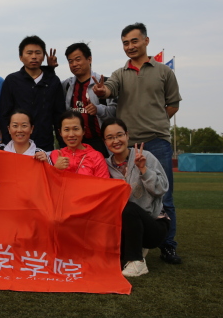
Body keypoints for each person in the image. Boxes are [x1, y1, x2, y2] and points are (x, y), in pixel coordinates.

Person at [92, 22, 182, 264]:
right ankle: (132, 242)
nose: (130, 46)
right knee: (127, 197)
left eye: (134, 41)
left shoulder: (164, 72)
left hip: (157, 140)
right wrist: (101, 92)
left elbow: (173, 104)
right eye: (125, 43)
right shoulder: (120, 74)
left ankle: (168, 246)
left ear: (146, 41)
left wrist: (157, 122)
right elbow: (109, 89)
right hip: (127, 144)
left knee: (165, 196)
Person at [102, 118, 170, 277]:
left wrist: (144, 170)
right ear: (105, 142)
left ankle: (137, 260)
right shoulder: (105, 165)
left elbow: (162, 189)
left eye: (119, 135)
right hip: (124, 227)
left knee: (128, 207)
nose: (116, 141)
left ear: (127, 135)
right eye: (110, 137)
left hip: (153, 224)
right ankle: (133, 249)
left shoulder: (145, 155)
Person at [0, 36, 65, 151]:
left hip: (45, 144)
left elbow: (59, 115)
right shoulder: (12, 80)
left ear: (43, 56)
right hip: (17, 145)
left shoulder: (53, 81)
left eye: (38, 53)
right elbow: (4, 114)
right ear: (21, 57)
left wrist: (63, 146)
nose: (34, 56)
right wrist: (7, 142)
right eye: (29, 53)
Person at [61, 43, 116, 157]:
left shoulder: (105, 83)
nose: (74, 64)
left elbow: (116, 112)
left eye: (78, 59)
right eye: (70, 61)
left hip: (101, 143)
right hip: (76, 144)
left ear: (89, 59)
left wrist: (98, 109)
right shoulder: (67, 85)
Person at [48, 111, 108, 178]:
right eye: (66, 130)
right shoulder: (55, 155)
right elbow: (47, 182)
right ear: (60, 132)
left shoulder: (96, 157)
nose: (71, 134)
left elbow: (103, 182)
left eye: (76, 129)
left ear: (83, 131)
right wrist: (56, 169)